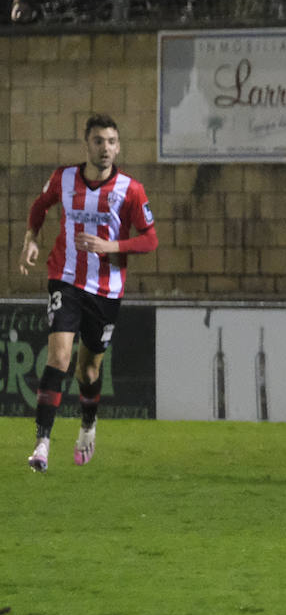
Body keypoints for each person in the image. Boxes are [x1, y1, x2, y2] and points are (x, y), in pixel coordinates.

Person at [19, 114, 159, 472]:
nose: (106, 148)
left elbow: (149, 239)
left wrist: (110, 246)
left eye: (112, 141)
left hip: (106, 290)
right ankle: (42, 443)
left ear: (118, 146)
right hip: (65, 278)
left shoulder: (131, 189)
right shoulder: (63, 178)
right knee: (59, 357)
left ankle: (87, 426)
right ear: (87, 144)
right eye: (99, 141)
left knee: (89, 371)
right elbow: (39, 207)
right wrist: (30, 240)